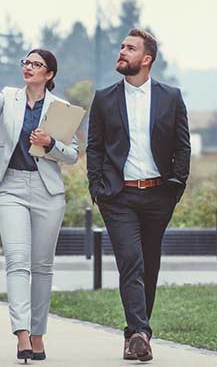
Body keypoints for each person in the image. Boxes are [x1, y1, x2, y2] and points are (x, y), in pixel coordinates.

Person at [0, 25, 79, 362]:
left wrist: (50, 144)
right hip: (10, 186)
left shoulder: (61, 108)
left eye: (36, 64)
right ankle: (22, 335)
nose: (28, 67)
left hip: (47, 192)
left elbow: (72, 154)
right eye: (25, 62)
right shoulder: (9, 98)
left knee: (42, 267)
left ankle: (38, 335)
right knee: (17, 262)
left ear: (49, 74)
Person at [86, 28, 190, 362]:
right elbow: (95, 147)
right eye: (121, 47)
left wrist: (176, 184)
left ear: (146, 59)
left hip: (159, 194)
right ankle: (143, 333)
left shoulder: (170, 96)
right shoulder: (104, 98)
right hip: (118, 197)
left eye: (129, 48)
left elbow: (182, 145)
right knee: (131, 261)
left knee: (149, 265)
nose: (121, 51)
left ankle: (134, 336)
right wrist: (98, 188)